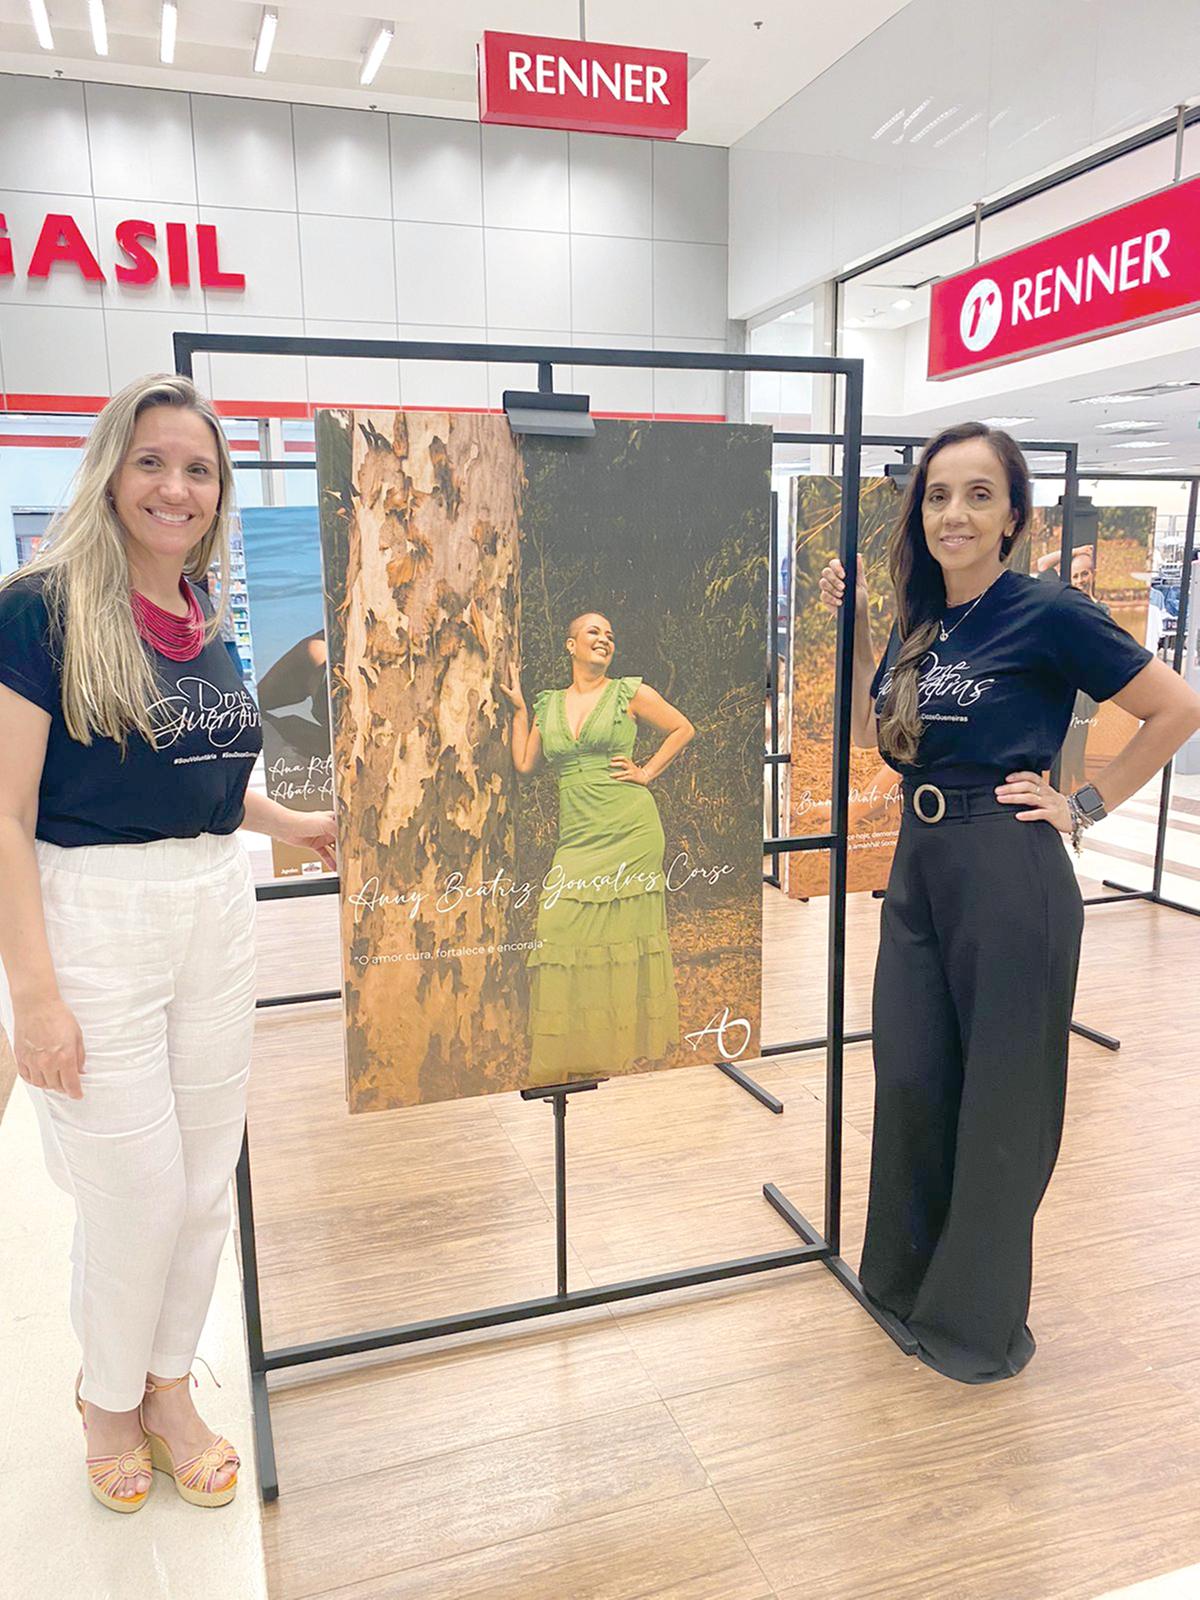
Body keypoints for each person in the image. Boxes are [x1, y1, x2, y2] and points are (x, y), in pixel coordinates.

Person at [0, 374, 337, 1511]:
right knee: (133, 1188)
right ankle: (105, 1399)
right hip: (92, 916)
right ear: (110, 470)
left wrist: (298, 824)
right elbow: (5, 812)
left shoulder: (203, 615)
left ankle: (164, 1387)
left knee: (200, 1182)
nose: (175, 486)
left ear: (218, 493)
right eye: (152, 461)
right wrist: (33, 999)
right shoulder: (38, 610)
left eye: (198, 469)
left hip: (212, 906)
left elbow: (205, 783)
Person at [819, 422, 1200, 1384]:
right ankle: (902, 1285)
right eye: (940, 495)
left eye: (979, 494)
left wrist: (1083, 805)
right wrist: (865, 628)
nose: (956, 513)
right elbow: (889, 733)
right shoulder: (923, 618)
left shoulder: (1047, 611)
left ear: (1012, 517)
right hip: (918, 867)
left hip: (1006, 866)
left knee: (1000, 1098)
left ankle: (973, 1322)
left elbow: (1177, 708)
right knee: (912, 1075)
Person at [499, 613, 694, 1084]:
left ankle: (611, 1049)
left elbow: (683, 728)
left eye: (610, 634)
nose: (604, 638)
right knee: (559, 921)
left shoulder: (628, 692)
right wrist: (521, 712)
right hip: (579, 836)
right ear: (571, 645)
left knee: (622, 935)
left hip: (631, 826)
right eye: (594, 632)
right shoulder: (548, 704)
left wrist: (646, 771)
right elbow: (525, 763)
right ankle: (569, 1049)